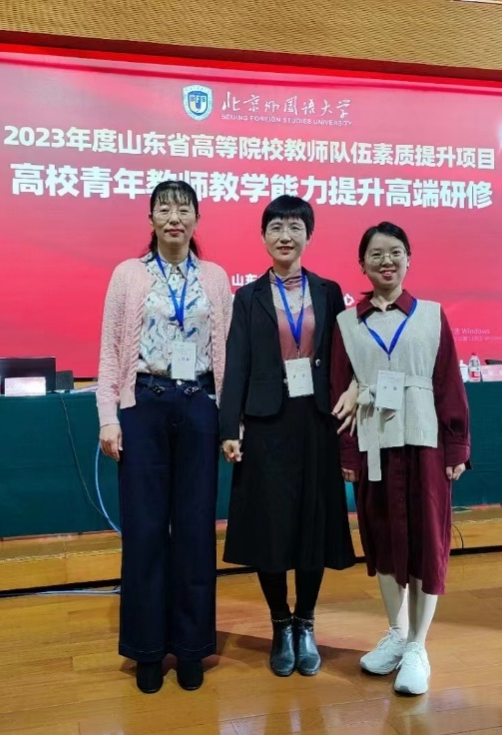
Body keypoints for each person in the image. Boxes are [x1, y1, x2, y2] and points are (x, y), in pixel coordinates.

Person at [96, 180, 233, 694]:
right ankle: (148, 649)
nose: (174, 217)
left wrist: (229, 421)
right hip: (144, 405)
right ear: (151, 218)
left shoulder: (215, 277)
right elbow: (110, 350)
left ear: (196, 219)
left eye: (183, 209)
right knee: (146, 530)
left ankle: (192, 647)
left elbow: (228, 353)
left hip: (199, 406)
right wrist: (108, 417)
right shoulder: (128, 275)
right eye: (164, 209)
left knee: (196, 531)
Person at [220, 195, 356, 678]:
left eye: (295, 227)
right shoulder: (248, 297)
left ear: (308, 236)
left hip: (317, 421)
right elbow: (237, 362)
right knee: (272, 527)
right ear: (263, 237)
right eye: (276, 227)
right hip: (266, 424)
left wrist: (355, 387)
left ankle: (306, 622)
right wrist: (230, 426)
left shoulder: (328, 291)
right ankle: (280, 623)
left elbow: (343, 353)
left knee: (312, 524)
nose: (285, 236)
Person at [331, 221, 470, 696]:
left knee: (427, 541)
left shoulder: (431, 316)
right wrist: (347, 451)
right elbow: (340, 390)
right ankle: (395, 632)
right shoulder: (347, 323)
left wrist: (457, 445)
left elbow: (448, 383)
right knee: (383, 538)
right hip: (373, 442)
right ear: (362, 264)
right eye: (375, 254)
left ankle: (417, 646)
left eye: (394, 252)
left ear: (409, 259)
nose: (385, 261)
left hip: (424, 442)